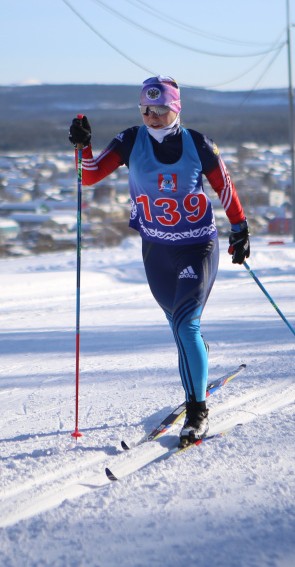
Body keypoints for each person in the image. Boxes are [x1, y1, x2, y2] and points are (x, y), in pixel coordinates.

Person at [68, 75, 250, 445]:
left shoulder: (198, 144)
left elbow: (224, 186)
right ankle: (198, 355)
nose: (150, 115)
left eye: (159, 109)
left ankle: (197, 411)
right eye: (145, 109)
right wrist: (82, 146)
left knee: (186, 326)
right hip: (155, 250)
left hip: (197, 246)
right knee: (180, 329)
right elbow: (89, 177)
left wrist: (240, 226)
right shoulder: (131, 140)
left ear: (175, 108)